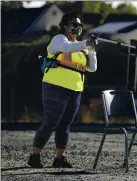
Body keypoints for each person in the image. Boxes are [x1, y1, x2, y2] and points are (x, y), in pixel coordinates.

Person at [28, 12, 98, 168]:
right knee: (50, 122)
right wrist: (86, 43)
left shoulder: (81, 46)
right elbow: (67, 48)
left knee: (65, 124)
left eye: (80, 25)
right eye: (74, 25)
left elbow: (92, 68)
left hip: (75, 89)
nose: (78, 28)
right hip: (55, 87)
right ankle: (35, 155)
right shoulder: (59, 39)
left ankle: (59, 158)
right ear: (65, 26)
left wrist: (92, 51)